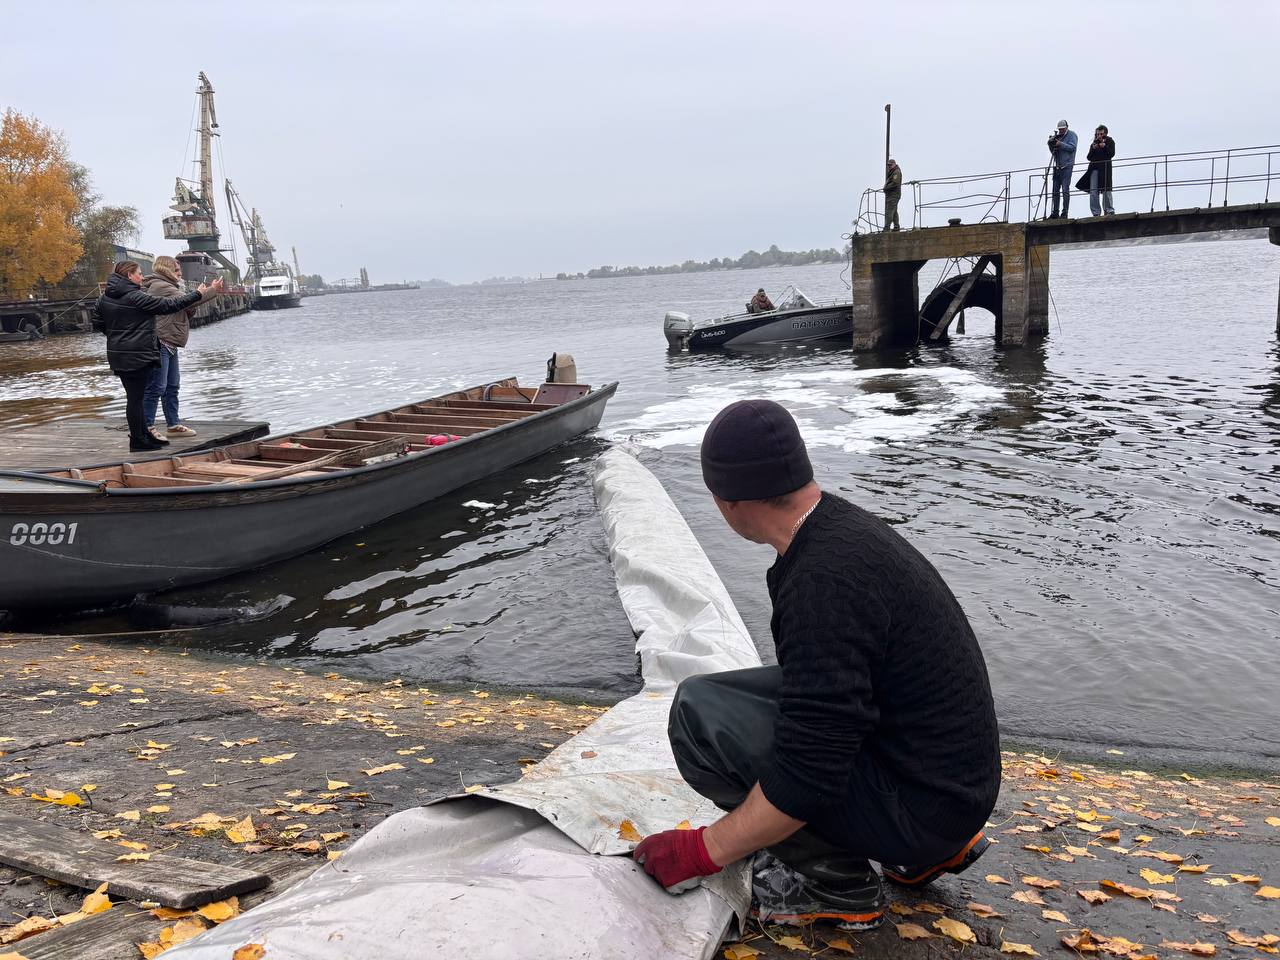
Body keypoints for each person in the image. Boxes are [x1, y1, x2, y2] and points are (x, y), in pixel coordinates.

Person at [633, 399, 1001, 929]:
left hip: (929, 805)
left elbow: (810, 771)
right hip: (951, 785)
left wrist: (703, 850)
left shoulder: (821, 582)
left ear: (727, 501)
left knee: (702, 717)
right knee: (759, 695)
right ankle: (923, 850)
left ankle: (837, 883)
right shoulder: (840, 531)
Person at [92, 261, 218, 452]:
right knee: (136, 399)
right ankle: (138, 441)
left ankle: (143, 436)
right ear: (129, 276)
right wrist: (198, 294)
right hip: (138, 354)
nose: (142, 277)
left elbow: (97, 322)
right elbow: (168, 305)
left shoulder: (104, 298)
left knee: (135, 396)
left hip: (118, 354)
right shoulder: (135, 297)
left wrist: (118, 337)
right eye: (139, 274)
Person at [142, 255, 218, 440]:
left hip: (170, 342)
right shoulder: (161, 286)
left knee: (172, 386)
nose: (180, 273)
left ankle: (173, 425)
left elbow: (182, 305)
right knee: (157, 387)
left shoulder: (170, 286)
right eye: (177, 270)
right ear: (166, 270)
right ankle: (146, 427)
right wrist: (210, 291)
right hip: (160, 341)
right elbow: (188, 301)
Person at [1077, 125, 1116, 217]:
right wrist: (1093, 149)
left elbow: (1112, 154)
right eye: (1097, 134)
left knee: (1107, 190)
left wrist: (1105, 146)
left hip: (1105, 168)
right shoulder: (1094, 143)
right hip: (1094, 169)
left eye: (1101, 134)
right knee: (1093, 192)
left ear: (1105, 134)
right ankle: (1096, 212)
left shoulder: (1110, 141)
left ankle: (1109, 210)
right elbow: (1089, 157)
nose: (1099, 136)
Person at [1046, 120, 1078, 219]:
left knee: (1065, 190)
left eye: (1063, 129)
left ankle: (1065, 213)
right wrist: (1051, 145)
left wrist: (1060, 144)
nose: (1061, 131)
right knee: (1055, 191)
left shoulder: (1072, 135)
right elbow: (1054, 153)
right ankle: (1055, 212)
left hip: (1067, 167)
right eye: (1060, 130)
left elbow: (1072, 148)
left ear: (1067, 127)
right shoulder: (1058, 137)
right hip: (1057, 167)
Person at [883, 159, 903, 232]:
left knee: (889, 211)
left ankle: (886, 228)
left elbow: (895, 183)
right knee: (894, 211)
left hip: (894, 195)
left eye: (890, 165)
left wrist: (886, 188)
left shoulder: (896, 172)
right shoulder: (892, 172)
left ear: (894, 164)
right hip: (891, 194)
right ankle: (896, 227)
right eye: (888, 165)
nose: (889, 166)